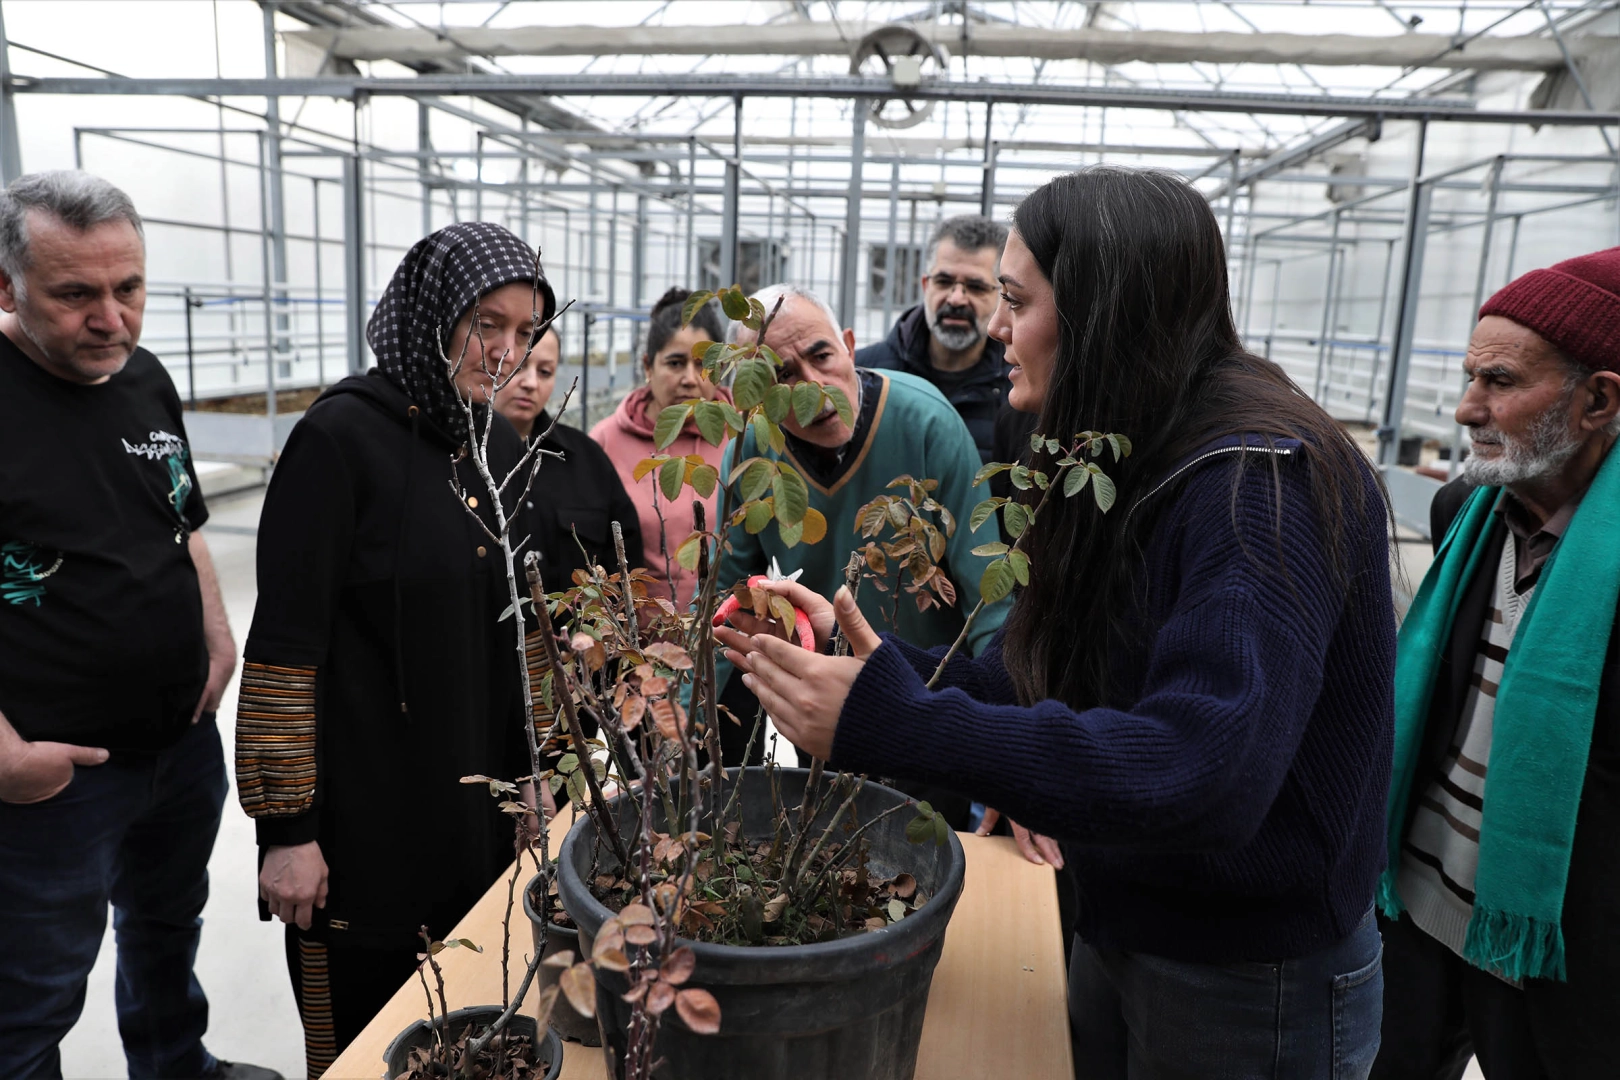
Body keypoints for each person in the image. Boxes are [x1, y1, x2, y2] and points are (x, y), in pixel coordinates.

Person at [717, 168, 1396, 1079]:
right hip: (1126, 911)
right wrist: (870, 667)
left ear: (1103, 311)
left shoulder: (1256, 483)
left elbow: (1206, 769)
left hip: (1247, 976)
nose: (995, 327)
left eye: (1015, 298)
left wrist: (900, 723)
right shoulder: (1135, 445)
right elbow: (1051, 679)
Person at [238, 222, 550, 1077]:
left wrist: (536, 770)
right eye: (487, 324)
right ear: (433, 316)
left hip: (473, 827)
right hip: (360, 832)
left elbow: (521, 634)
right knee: (363, 1045)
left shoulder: (496, 447)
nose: (507, 353)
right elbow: (284, 651)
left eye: (525, 332)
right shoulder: (337, 441)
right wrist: (287, 832)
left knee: (467, 1034)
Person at [0, 172, 278, 1080]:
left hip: (179, 743)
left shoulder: (143, 376)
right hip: (55, 776)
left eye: (130, 287)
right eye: (75, 294)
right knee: (31, 995)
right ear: (6, 287)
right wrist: (7, 758)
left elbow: (180, 514)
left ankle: (175, 1066)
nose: (111, 319)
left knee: (165, 928)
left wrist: (217, 635)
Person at [1372, 247, 1620, 1080]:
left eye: (1500, 381)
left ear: (1598, 400)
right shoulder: (1464, 511)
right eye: (1469, 376)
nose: (1466, 407)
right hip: (1415, 904)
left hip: (1551, 945)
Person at [713, 283, 1013, 828]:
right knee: (824, 845)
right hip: (822, 705)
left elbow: (989, 601)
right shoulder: (750, 454)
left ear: (850, 346)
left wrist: (1009, 752)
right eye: (782, 375)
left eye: (822, 356)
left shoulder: (927, 424)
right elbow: (722, 596)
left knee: (926, 842)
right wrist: (681, 724)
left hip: (928, 699)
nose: (813, 386)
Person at [592, 287, 731, 607]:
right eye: (675, 363)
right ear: (648, 366)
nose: (690, 378)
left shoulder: (742, 437)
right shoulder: (606, 442)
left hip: (725, 629)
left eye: (703, 364)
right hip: (634, 631)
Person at [493, 322, 644, 590]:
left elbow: (625, 566)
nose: (531, 383)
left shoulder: (587, 460)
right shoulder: (458, 460)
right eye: (518, 366)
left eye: (545, 372)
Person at [856, 214, 1011, 464]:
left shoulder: (1018, 389)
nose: (956, 299)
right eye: (944, 281)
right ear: (925, 285)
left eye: (976, 287)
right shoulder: (865, 374)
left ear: (1002, 294)